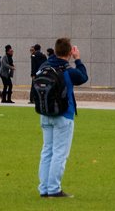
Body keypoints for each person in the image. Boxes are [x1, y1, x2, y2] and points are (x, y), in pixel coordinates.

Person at [37, 37, 88, 198]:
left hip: (45, 113)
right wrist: (78, 59)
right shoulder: (67, 70)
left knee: (47, 151)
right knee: (60, 153)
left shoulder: (44, 66)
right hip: (64, 114)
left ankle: (44, 188)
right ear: (69, 52)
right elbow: (83, 77)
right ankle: (54, 189)